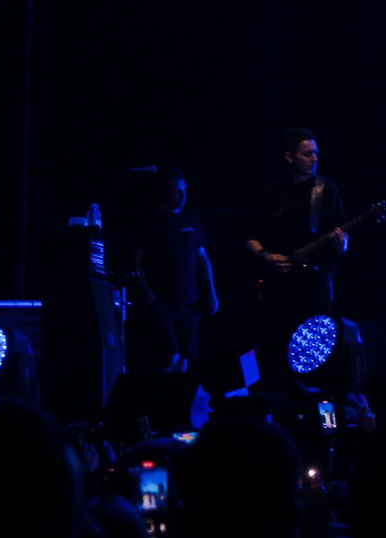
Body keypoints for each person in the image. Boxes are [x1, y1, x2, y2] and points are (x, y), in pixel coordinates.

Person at [243, 128, 348, 322]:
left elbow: (341, 234)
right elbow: (251, 236)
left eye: (315, 153)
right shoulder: (270, 193)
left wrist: (341, 245)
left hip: (315, 287)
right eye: (307, 154)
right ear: (289, 157)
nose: (314, 159)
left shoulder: (327, 190)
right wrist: (266, 256)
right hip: (278, 287)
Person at [126, 168, 217, 374]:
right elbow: (136, 260)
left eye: (184, 189)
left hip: (190, 302)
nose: (182, 195)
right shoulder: (150, 222)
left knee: (183, 361)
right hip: (162, 302)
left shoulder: (191, 219)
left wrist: (211, 292)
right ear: (163, 192)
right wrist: (147, 293)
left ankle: (174, 396)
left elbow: (202, 258)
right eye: (176, 190)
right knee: (169, 357)